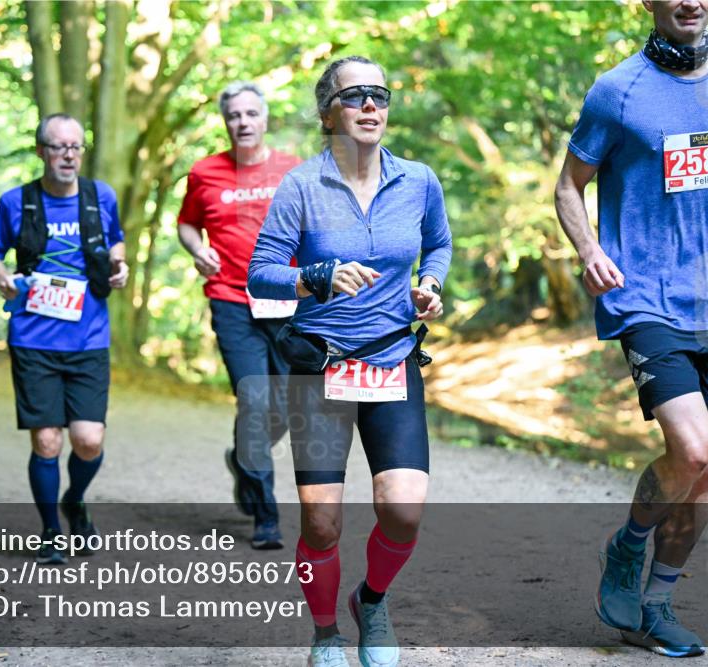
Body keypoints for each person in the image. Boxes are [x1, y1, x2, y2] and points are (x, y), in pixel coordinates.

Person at [554, 0, 708, 657]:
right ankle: (627, 545)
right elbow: (568, 186)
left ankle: (656, 605)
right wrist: (589, 249)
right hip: (645, 296)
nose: (690, 1)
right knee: (693, 451)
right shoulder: (618, 90)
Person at [248, 56, 452, 667]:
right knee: (321, 522)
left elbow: (438, 244)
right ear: (327, 112)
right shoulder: (301, 186)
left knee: (404, 509)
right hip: (322, 366)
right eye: (355, 95)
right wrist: (315, 276)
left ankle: (372, 600)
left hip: (392, 359)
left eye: (379, 95)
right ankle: (325, 634)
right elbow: (261, 273)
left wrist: (431, 285)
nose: (370, 105)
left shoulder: (418, 180)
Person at [0, 113, 129, 564]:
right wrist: (3, 280)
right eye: (58, 146)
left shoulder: (100, 196)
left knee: (88, 440)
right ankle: (50, 531)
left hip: (89, 339)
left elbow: (116, 241)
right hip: (33, 339)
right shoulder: (16, 202)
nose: (68, 155)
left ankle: (74, 500)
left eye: (75, 147)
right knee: (47, 441)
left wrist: (120, 266)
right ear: (41, 151)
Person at [177, 81, 301, 550]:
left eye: (251, 113)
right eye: (234, 115)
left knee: (287, 410)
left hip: (287, 300)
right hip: (231, 299)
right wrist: (197, 250)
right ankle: (266, 516)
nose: (243, 122)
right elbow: (187, 223)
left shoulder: (293, 170)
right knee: (253, 400)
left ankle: (243, 459)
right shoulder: (204, 172)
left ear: (265, 119)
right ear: (225, 122)